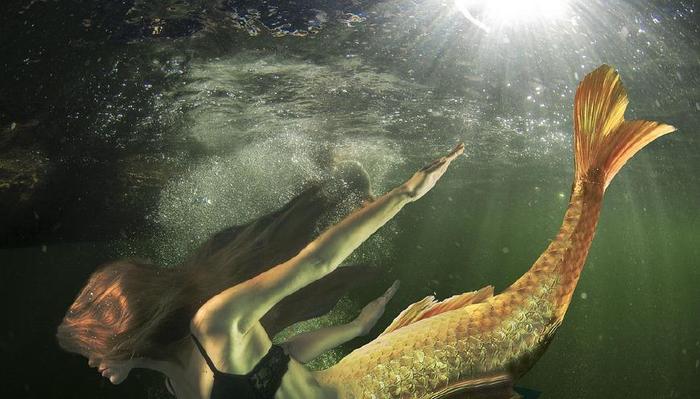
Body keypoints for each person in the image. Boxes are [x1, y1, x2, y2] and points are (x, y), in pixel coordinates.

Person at [57, 143, 464, 399]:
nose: (91, 361)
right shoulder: (174, 385)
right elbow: (279, 357)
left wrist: (405, 195)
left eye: (91, 348)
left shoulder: (214, 324)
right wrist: (354, 328)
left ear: (122, 330)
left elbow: (316, 262)